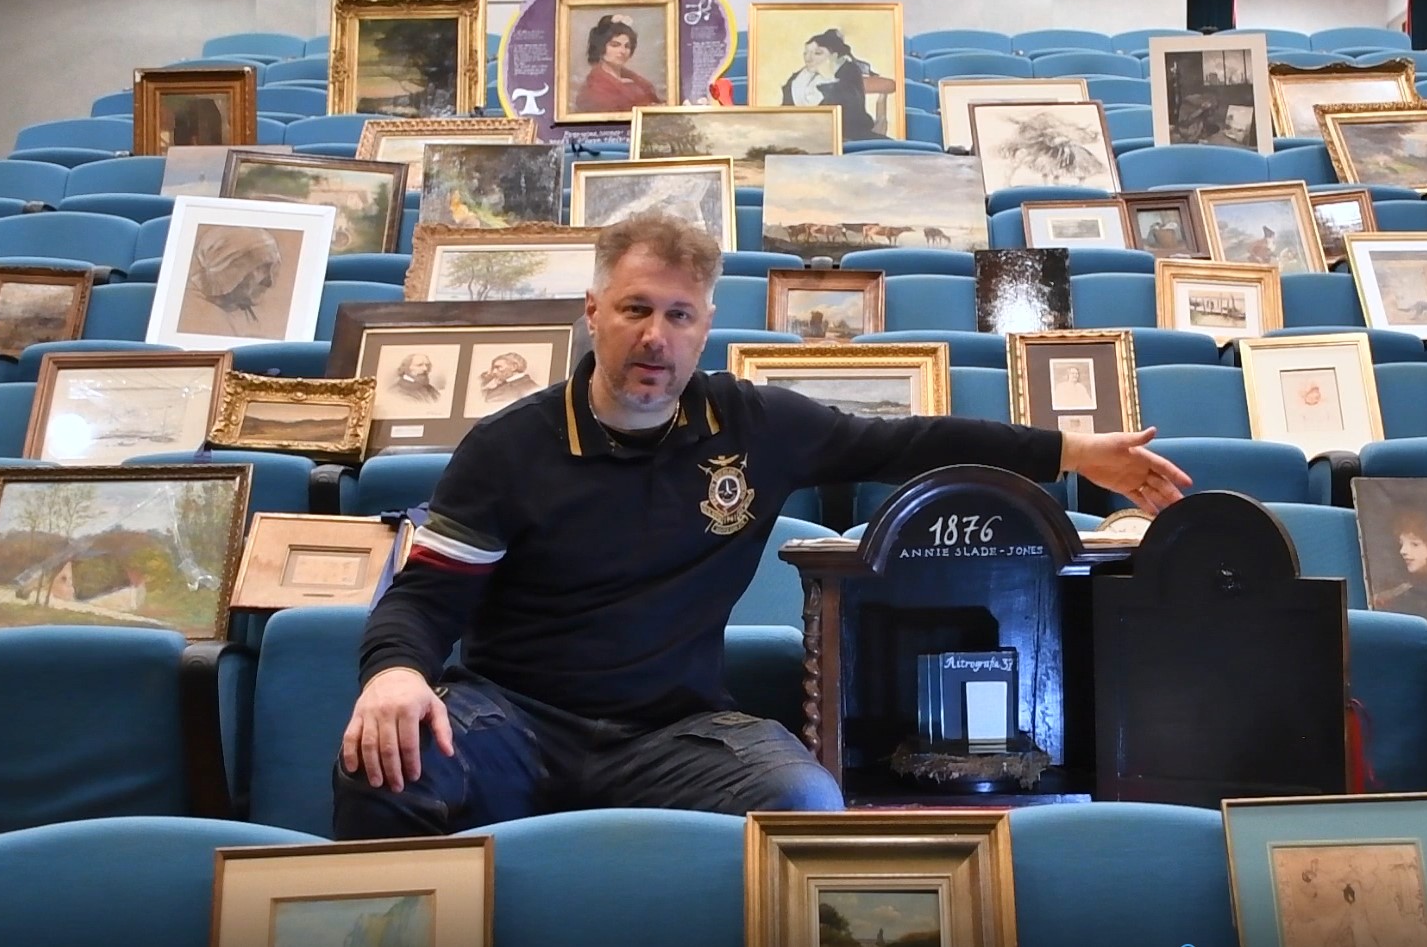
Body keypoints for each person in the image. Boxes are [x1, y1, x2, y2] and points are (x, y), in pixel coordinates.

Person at [334, 211, 1191, 838]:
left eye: (678, 315)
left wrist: (1071, 450)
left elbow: (906, 440)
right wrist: (395, 674)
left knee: (805, 803)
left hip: (672, 734)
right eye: (635, 309)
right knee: (382, 765)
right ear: (592, 312)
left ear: (705, 327)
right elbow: (424, 597)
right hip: (515, 721)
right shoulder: (508, 446)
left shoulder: (753, 425)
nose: (655, 336)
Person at [781, 29, 891, 141]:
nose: (808, 59)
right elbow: (785, 112)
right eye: (806, 53)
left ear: (834, 56)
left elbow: (852, 116)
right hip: (805, 136)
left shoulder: (848, 71)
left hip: (849, 136)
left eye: (818, 53)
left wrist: (829, 79)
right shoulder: (797, 80)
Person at [572, 13, 664, 115]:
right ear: (600, 47)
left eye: (627, 46)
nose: (622, 51)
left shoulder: (636, 81)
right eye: (615, 45)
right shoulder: (593, 89)